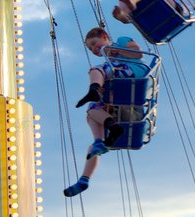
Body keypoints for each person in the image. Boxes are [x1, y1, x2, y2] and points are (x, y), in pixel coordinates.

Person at [64, 27, 150, 197]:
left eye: (95, 44)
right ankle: (85, 178)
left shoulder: (121, 42)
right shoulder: (111, 69)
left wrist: (117, 51)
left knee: (97, 70)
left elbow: (138, 53)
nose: (95, 50)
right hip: (122, 106)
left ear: (105, 37)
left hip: (133, 76)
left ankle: (94, 88)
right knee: (92, 110)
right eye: (91, 49)